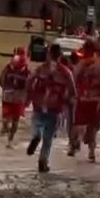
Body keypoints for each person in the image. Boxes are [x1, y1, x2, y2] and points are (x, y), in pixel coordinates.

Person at [26, 44, 76, 173]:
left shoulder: (41, 69)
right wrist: (68, 101)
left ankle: (36, 135)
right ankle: (43, 161)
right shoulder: (66, 72)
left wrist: (29, 95)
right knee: (48, 138)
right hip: (55, 107)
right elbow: (72, 90)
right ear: (60, 56)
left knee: (36, 124)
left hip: (39, 103)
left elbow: (30, 80)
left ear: (48, 55)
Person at [70, 40, 100, 162]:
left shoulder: (80, 65)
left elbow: (72, 81)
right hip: (97, 100)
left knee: (78, 123)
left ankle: (75, 144)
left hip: (83, 98)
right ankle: (91, 152)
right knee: (93, 126)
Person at [0, 47, 31, 148]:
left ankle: (5, 125)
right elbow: (30, 84)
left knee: (6, 115)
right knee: (16, 120)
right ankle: (10, 141)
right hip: (20, 96)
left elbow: (1, 79)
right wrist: (28, 98)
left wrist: (4, 88)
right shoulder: (26, 68)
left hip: (8, 94)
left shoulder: (9, 65)